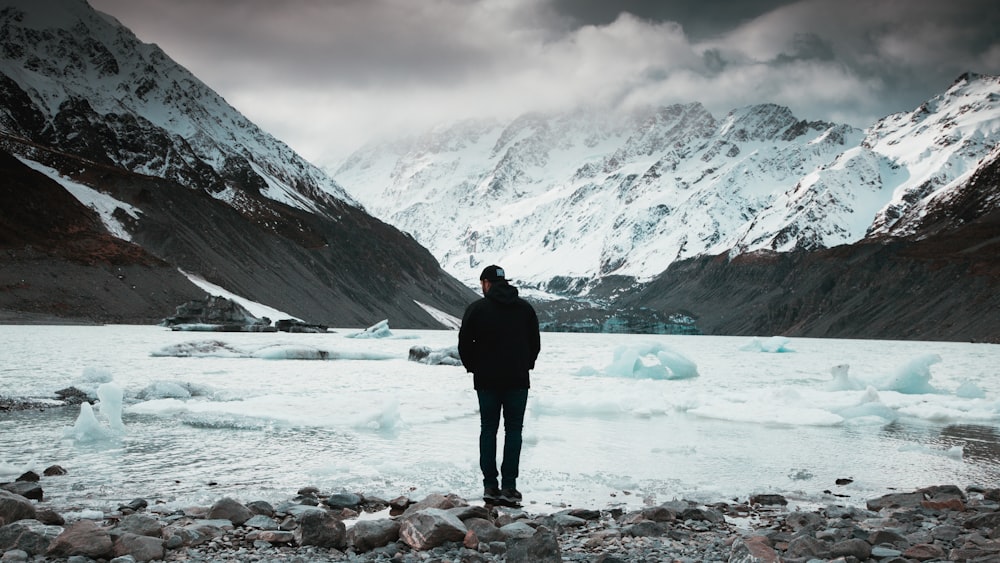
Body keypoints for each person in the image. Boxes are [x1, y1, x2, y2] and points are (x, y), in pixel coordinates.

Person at [458, 265, 540, 506]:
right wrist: (526, 365)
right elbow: (534, 342)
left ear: (486, 283)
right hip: (517, 379)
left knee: (488, 429)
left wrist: (474, 367)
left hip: (486, 381)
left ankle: (490, 486)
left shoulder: (476, 309)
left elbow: (464, 343)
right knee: (514, 430)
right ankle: (510, 487)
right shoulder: (525, 309)